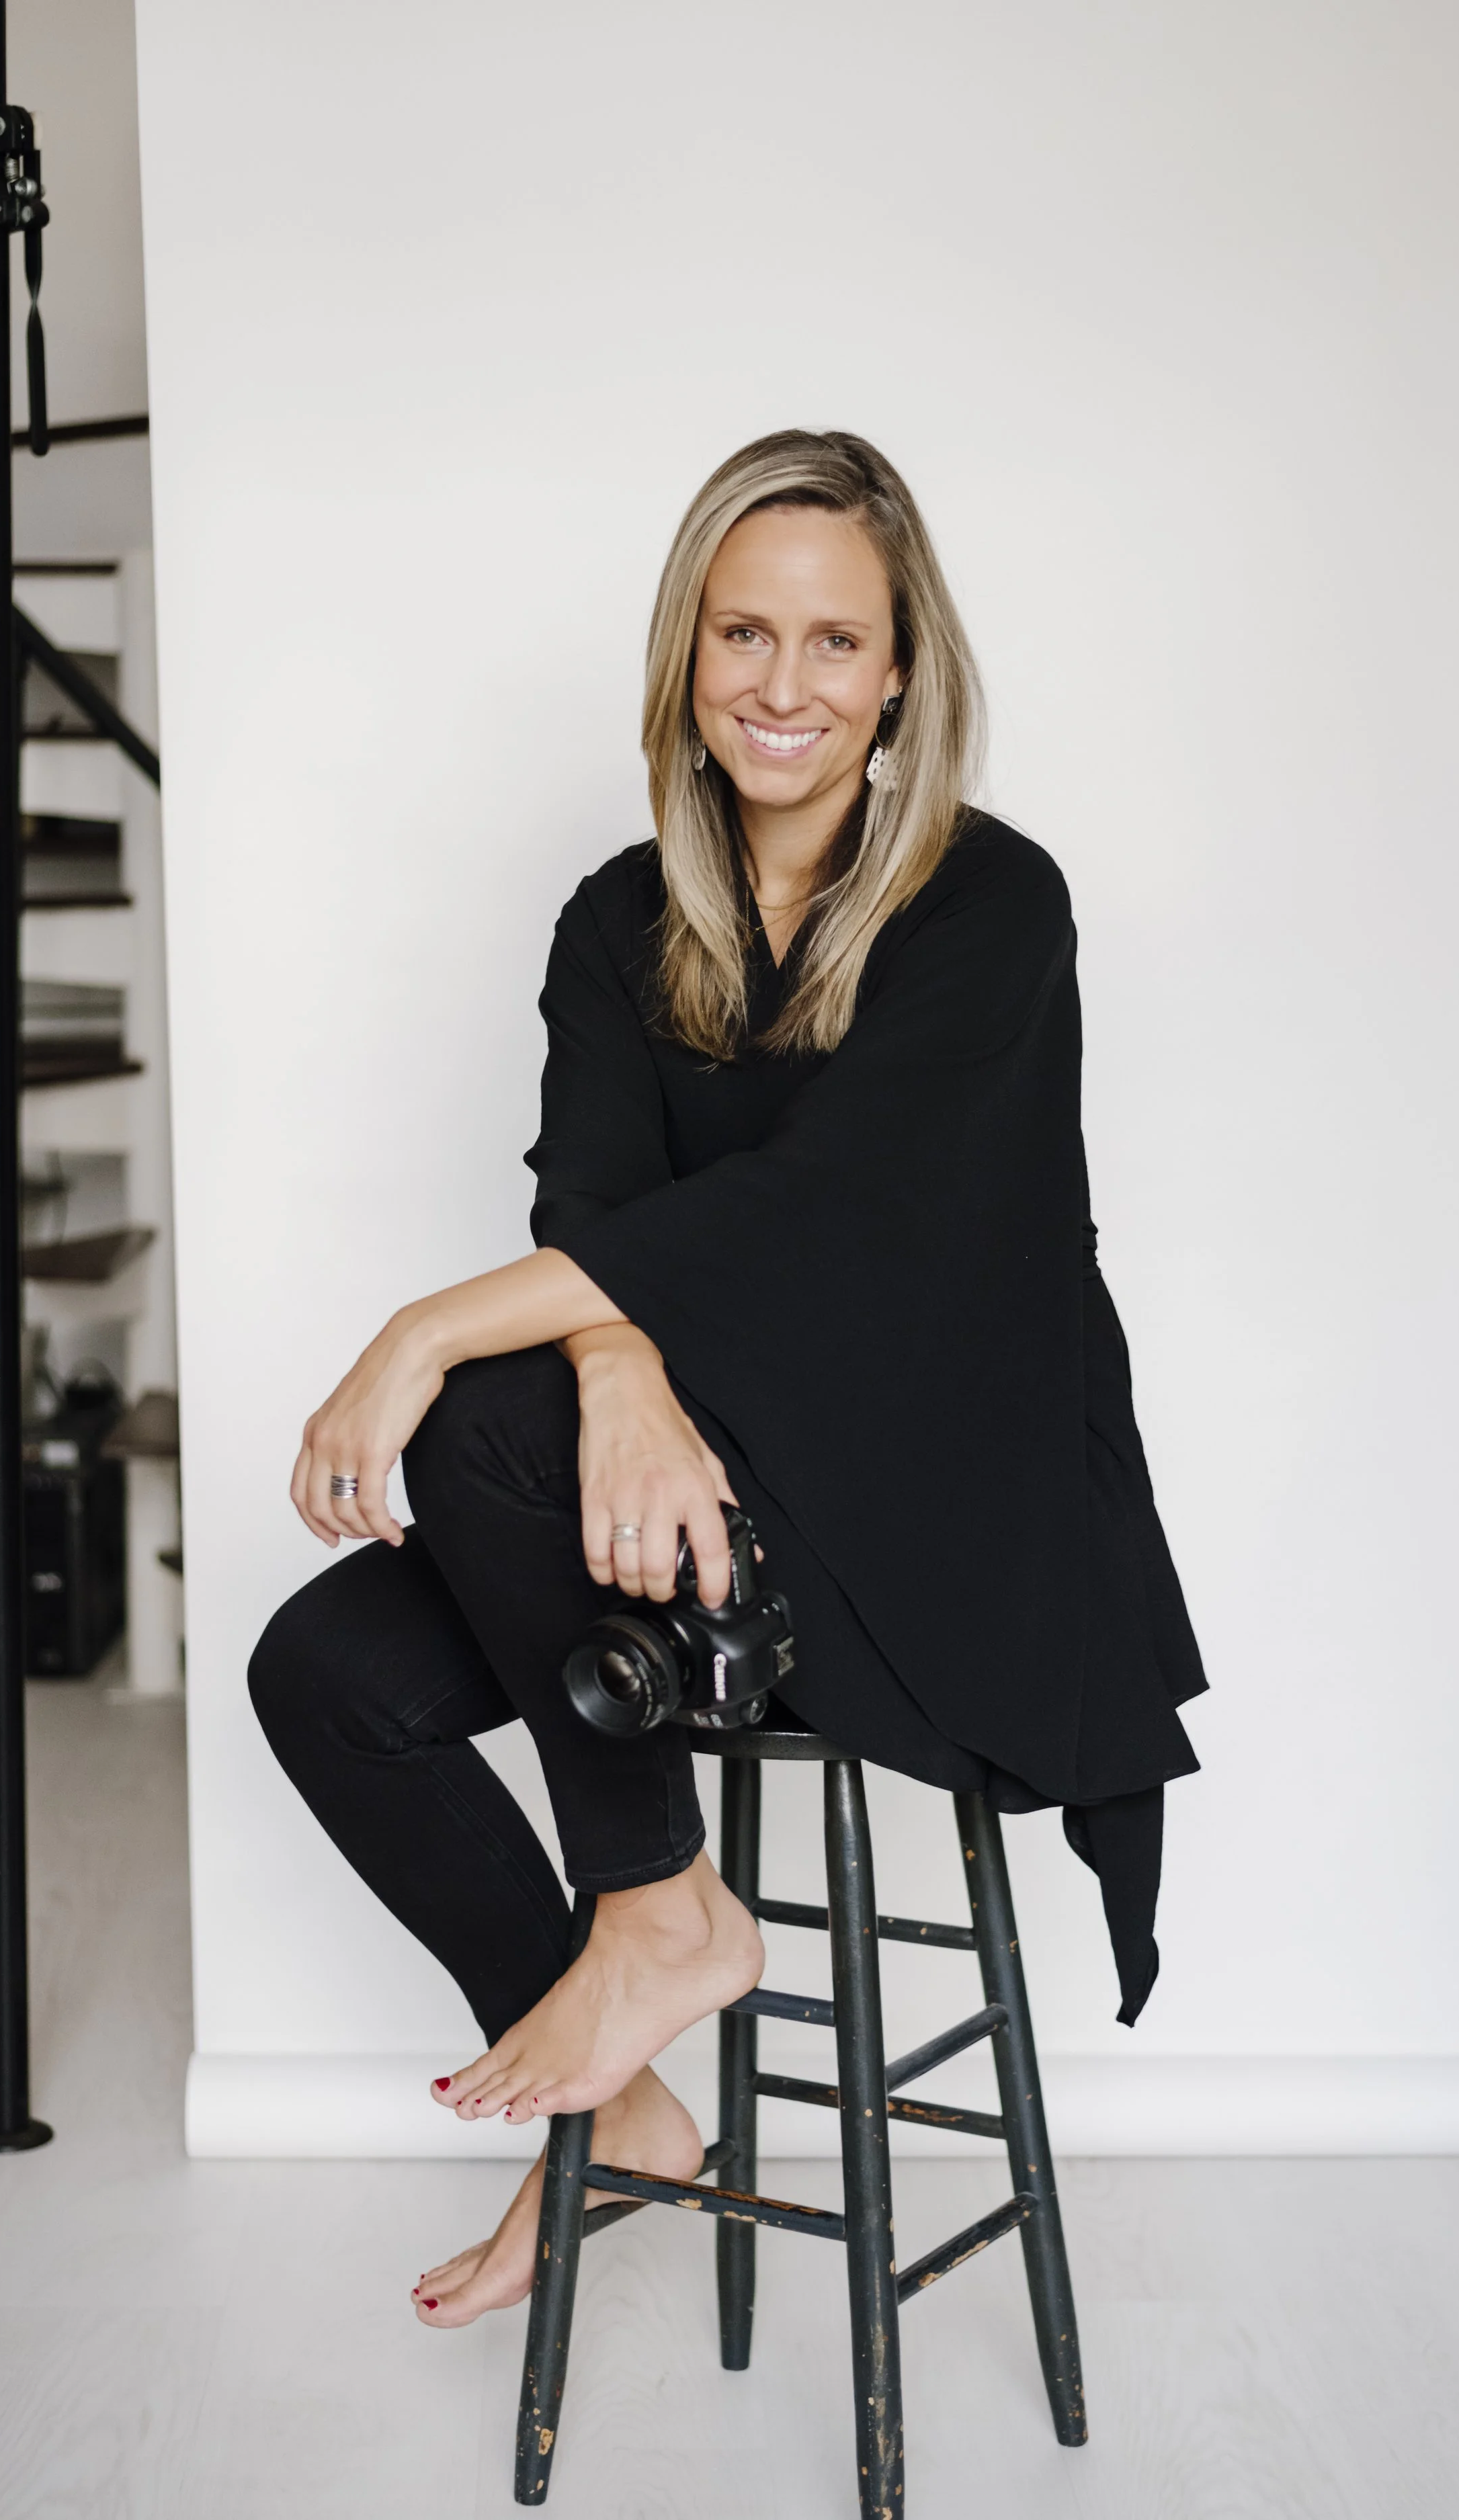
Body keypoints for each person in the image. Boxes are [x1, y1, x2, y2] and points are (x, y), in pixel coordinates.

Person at [248, 427, 1208, 2330]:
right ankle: (633, 2095)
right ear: (685, 655)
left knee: (475, 1411)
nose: (785, 686)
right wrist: (619, 1361)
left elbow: (825, 1217)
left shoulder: (992, 906)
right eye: (742, 634)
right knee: (326, 1673)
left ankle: (664, 1908)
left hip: (944, 1521)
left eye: (835, 642)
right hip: (689, 1498)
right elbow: (595, 1198)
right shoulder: (622, 918)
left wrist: (424, 1327)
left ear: (902, 670)